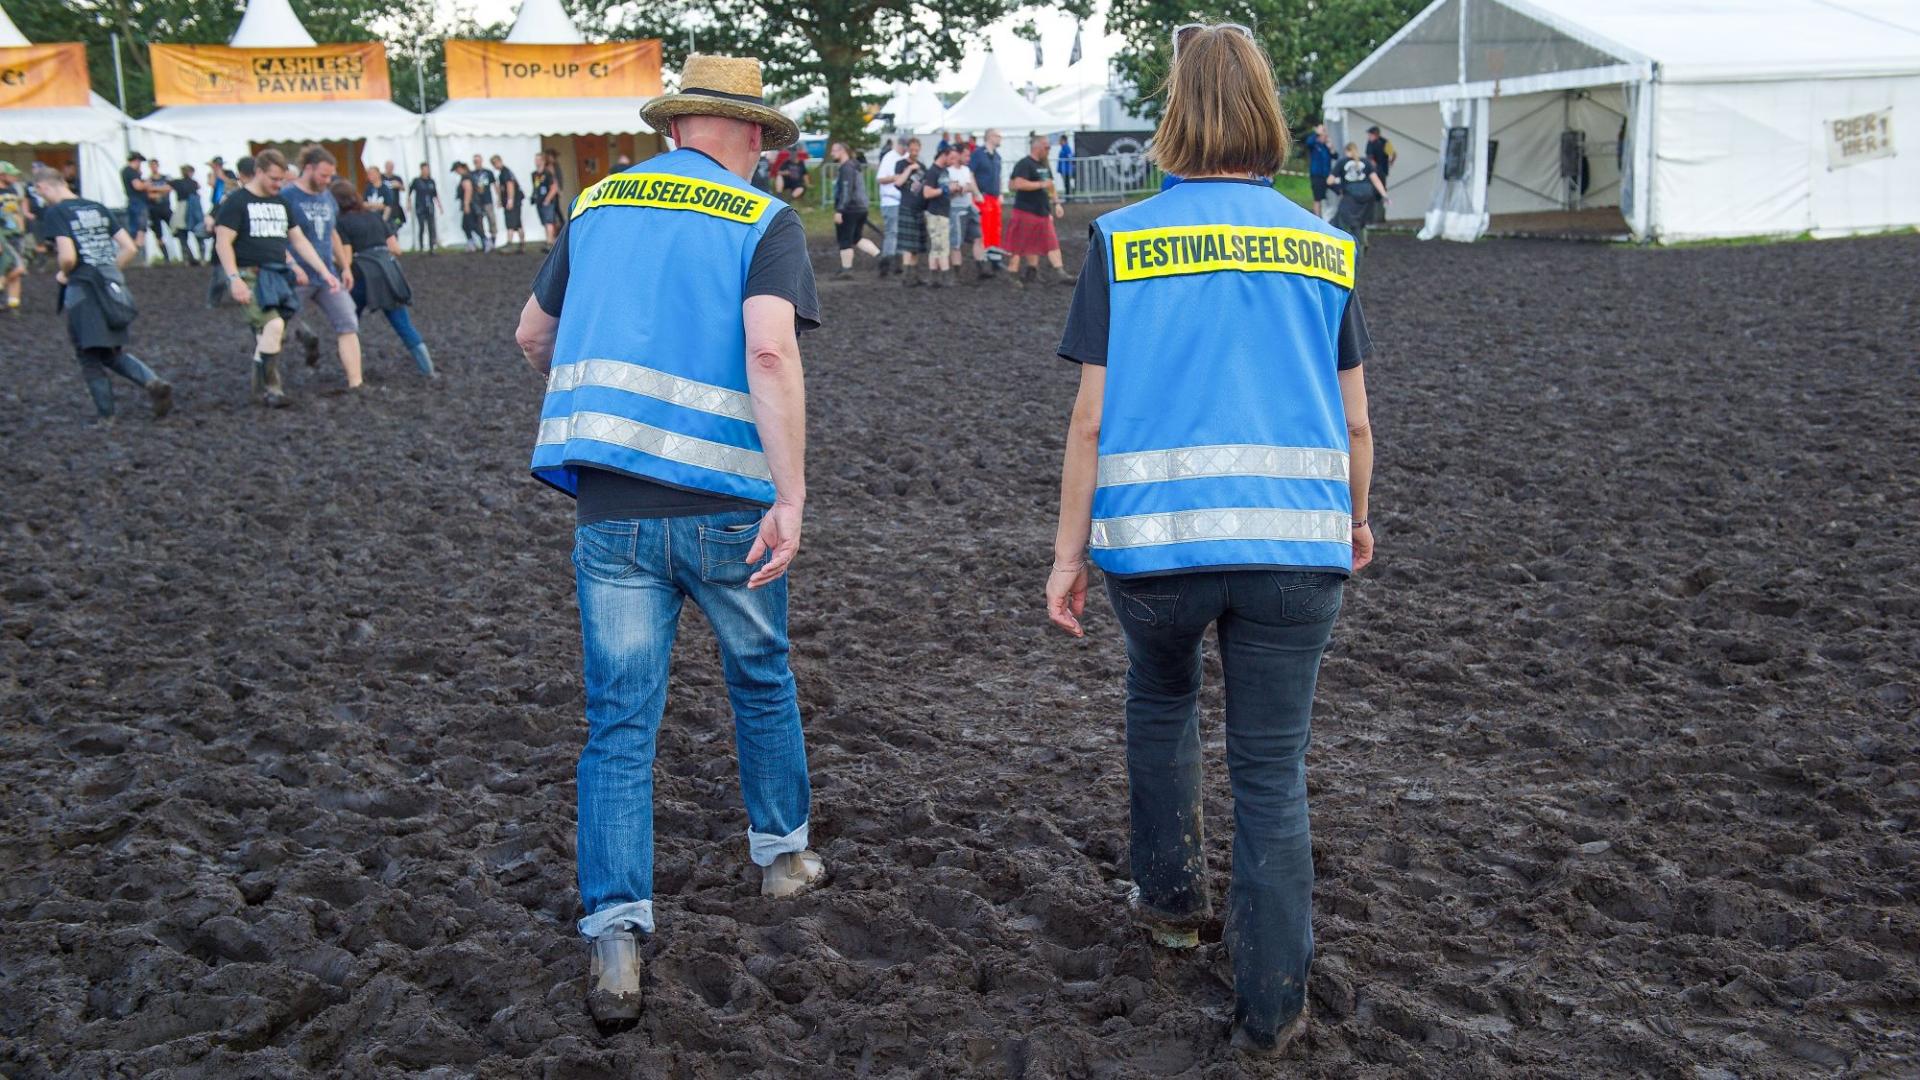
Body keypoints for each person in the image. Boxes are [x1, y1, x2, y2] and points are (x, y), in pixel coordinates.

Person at [1045, 25, 1375, 1059]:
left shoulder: (1122, 241)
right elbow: (1357, 423)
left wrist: (1066, 555)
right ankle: (1273, 1010)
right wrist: (1356, 518)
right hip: (1296, 551)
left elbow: (1090, 422)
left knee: (1161, 701)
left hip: (1157, 551)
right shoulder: (1326, 245)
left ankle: (1172, 904)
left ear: (1175, 113)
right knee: (1271, 775)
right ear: (1268, 112)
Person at [513, 53, 825, 1027]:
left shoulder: (596, 205)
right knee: (760, 677)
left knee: (619, 722)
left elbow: (531, 335)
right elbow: (769, 349)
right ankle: (782, 858)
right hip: (728, 503)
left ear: (678, 126)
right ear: (752, 134)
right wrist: (791, 493)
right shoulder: (762, 220)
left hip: (611, 509)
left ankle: (615, 933)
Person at [34, 165, 174, 421]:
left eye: (40, 193)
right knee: (110, 352)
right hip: (111, 286)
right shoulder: (97, 207)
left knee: (87, 355)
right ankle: (153, 382)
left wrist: (64, 273)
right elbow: (129, 247)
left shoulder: (57, 212)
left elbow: (67, 256)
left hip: (82, 288)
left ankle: (106, 417)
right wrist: (109, 271)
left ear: (43, 187)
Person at [212, 148, 341, 408]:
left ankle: (259, 389)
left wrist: (323, 271)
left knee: (270, 334)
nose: (278, 184)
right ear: (258, 172)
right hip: (249, 275)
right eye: (273, 179)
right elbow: (223, 242)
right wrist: (234, 278)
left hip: (277, 275)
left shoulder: (281, 203)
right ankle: (273, 388)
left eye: (282, 179)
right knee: (273, 326)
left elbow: (298, 240)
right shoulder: (237, 202)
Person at [331, 180, 434, 379]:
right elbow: (396, 249)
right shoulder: (374, 217)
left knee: (348, 324)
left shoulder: (341, 223)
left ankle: (351, 370)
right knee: (403, 324)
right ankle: (428, 370)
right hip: (388, 271)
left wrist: (332, 257)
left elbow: (347, 259)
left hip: (362, 275)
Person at [281, 145, 364, 390]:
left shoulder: (327, 197)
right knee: (278, 330)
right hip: (296, 277)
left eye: (330, 176)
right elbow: (278, 237)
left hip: (327, 276)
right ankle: (269, 384)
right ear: (308, 168)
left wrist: (345, 266)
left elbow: (332, 233)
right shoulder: (287, 197)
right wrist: (291, 263)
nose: (328, 181)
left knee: (348, 323)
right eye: (323, 175)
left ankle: (356, 383)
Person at [1006, 134, 1072, 287]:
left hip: (1043, 212)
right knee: (1019, 244)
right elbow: (1016, 184)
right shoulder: (1024, 164)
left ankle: (1059, 272)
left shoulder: (1044, 165)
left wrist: (1057, 203)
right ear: (1037, 147)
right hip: (1025, 211)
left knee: (1051, 242)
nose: (1049, 150)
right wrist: (1040, 185)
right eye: (1047, 147)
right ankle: (1012, 273)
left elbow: (1051, 185)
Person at [1328, 143, 1387, 255]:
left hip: (1351, 197)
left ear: (1346, 151)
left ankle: (1346, 247)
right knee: (1361, 223)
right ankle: (1363, 243)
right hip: (1367, 198)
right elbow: (1375, 180)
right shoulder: (1366, 162)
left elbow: (1329, 181)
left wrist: (1339, 190)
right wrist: (1384, 195)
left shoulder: (1342, 162)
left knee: (1342, 221)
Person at [943, 143, 987, 282]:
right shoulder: (948, 172)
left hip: (968, 207)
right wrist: (965, 188)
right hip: (955, 210)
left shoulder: (966, 170)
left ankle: (981, 269)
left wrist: (970, 191)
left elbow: (969, 186)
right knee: (956, 243)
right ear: (958, 155)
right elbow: (951, 191)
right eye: (966, 155)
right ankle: (957, 274)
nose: (969, 159)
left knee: (978, 237)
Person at [829, 141, 869, 277]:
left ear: (842, 151)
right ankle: (882, 257)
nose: (831, 153)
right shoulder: (854, 166)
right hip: (860, 207)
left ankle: (846, 269)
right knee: (857, 238)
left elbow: (847, 191)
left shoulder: (846, 168)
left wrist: (840, 210)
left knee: (845, 239)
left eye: (834, 150)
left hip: (850, 208)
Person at [893, 140, 929, 287]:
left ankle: (915, 276)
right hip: (906, 206)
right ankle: (906, 277)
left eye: (916, 150)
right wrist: (909, 169)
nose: (914, 152)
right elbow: (898, 183)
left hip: (919, 208)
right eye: (912, 149)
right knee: (908, 246)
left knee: (917, 246)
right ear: (908, 149)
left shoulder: (923, 167)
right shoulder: (900, 164)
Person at [968, 129, 1004, 273]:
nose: (1000, 139)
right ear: (990, 137)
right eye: (998, 136)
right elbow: (970, 174)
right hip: (983, 197)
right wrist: (976, 192)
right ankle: (982, 260)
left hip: (994, 197)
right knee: (983, 229)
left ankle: (995, 259)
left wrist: (1000, 193)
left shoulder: (997, 156)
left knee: (995, 229)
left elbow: (999, 176)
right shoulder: (978, 154)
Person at [874, 136, 906, 277]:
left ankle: (898, 264)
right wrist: (895, 177)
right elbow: (880, 179)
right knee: (892, 232)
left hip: (902, 201)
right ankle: (886, 262)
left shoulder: (907, 157)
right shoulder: (889, 157)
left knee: (900, 233)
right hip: (890, 201)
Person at [168, 164, 207, 266]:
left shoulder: (178, 182)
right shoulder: (193, 183)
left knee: (183, 234)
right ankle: (201, 258)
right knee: (197, 233)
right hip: (192, 209)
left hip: (184, 208)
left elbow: (167, 186)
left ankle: (187, 259)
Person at [119, 152, 150, 264]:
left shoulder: (125, 171)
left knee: (134, 228)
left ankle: (134, 257)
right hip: (138, 202)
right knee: (140, 228)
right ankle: (138, 256)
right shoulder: (131, 172)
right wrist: (147, 184)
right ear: (136, 161)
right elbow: (138, 186)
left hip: (133, 202)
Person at [144, 158, 174, 264]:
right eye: (151, 165)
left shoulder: (166, 177)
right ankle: (166, 258)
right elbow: (148, 193)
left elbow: (169, 188)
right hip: (154, 210)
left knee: (176, 229)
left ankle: (185, 254)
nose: (154, 167)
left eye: (155, 165)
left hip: (166, 208)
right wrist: (161, 191)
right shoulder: (148, 179)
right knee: (158, 235)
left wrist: (154, 189)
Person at [494, 154, 525, 253]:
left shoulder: (505, 172)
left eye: (495, 163)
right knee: (518, 224)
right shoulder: (504, 172)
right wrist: (500, 200)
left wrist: (510, 200)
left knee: (510, 223)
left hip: (513, 202)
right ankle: (522, 244)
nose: (495, 166)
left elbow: (510, 185)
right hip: (516, 201)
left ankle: (509, 244)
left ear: (499, 161)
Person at [535, 150, 564, 249]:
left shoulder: (549, 171)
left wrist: (548, 198)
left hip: (549, 200)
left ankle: (551, 242)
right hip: (540, 200)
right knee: (546, 221)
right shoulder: (535, 174)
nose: (536, 162)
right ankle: (549, 240)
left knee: (550, 220)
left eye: (538, 160)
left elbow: (554, 184)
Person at [409, 162, 440, 252]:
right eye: (424, 169)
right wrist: (408, 203)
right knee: (421, 226)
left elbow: (435, 194)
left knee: (431, 227)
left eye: (427, 169)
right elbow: (410, 192)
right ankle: (421, 247)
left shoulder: (431, 181)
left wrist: (439, 205)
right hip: (420, 207)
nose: (426, 171)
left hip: (430, 207)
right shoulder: (416, 181)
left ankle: (432, 247)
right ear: (421, 170)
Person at [469, 153, 498, 251]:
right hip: (477, 202)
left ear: (481, 161)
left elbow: (495, 185)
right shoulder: (472, 174)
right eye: (475, 161)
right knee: (479, 222)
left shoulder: (488, 172)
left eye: (478, 161)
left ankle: (493, 240)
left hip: (487, 200)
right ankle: (484, 241)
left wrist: (499, 198)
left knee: (491, 220)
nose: (476, 163)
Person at [1305, 122, 1334, 218]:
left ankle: (1330, 214)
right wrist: (1317, 133)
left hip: (1327, 175)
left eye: (1325, 135)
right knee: (1317, 198)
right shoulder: (1314, 145)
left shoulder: (1326, 147)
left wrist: (1331, 148)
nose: (1324, 137)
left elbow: (1335, 156)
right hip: (1316, 175)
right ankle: (1317, 218)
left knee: (1335, 191)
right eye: (1322, 135)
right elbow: (1309, 142)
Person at [453, 163, 483, 252]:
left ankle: (485, 240)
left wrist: (466, 205)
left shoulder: (466, 177)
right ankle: (471, 243)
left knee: (472, 225)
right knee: (466, 226)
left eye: (456, 170)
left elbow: (468, 190)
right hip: (472, 204)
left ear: (460, 168)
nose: (456, 172)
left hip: (470, 205)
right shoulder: (470, 176)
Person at [1056, 133, 1076, 198]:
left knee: (1067, 183)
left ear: (1063, 140)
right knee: (1066, 183)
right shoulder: (1063, 148)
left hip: (1066, 170)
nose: (1059, 141)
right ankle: (1069, 196)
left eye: (1060, 140)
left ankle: (1069, 196)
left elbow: (1070, 158)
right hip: (1063, 170)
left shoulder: (1067, 148)